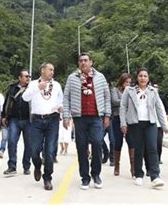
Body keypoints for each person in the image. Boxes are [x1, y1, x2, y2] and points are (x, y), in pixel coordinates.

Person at [63, 53, 111, 190]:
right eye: (80, 61)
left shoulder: (100, 77)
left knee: (97, 143)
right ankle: (85, 177)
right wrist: (66, 116)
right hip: (80, 118)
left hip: (96, 117)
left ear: (91, 62)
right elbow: (66, 98)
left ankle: (96, 174)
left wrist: (107, 115)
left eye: (85, 60)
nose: (83, 63)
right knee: (81, 147)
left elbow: (107, 97)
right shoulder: (72, 78)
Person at [120, 68, 168, 188]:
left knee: (152, 148)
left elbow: (159, 109)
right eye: (140, 76)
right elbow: (123, 107)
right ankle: (139, 175)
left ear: (148, 78)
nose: (143, 78)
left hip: (150, 123)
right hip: (135, 123)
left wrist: (164, 125)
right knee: (139, 149)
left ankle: (155, 176)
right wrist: (123, 123)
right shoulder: (129, 90)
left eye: (145, 76)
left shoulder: (153, 91)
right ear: (137, 78)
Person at [23, 62, 62, 191]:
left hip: (52, 119)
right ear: (42, 70)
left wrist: (60, 107)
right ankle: (37, 165)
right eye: (50, 69)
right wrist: (37, 88)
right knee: (34, 150)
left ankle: (47, 178)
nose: (52, 72)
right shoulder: (34, 83)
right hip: (37, 120)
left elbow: (60, 100)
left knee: (50, 151)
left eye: (53, 70)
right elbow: (25, 97)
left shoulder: (56, 85)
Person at [2, 70, 32, 176]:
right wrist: (4, 116)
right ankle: (12, 166)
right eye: (25, 76)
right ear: (19, 78)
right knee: (11, 142)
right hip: (14, 119)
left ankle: (26, 166)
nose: (28, 78)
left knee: (28, 144)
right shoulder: (12, 88)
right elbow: (7, 102)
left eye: (29, 76)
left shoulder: (32, 88)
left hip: (28, 120)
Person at [111, 73, 134, 177]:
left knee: (131, 142)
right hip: (117, 118)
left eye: (129, 82)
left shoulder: (131, 92)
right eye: (126, 82)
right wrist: (126, 102)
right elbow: (115, 101)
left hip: (129, 118)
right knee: (118, 142)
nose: (128, 84)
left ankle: (133, 167)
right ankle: (116, 166)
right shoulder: (114, 90)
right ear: (122, 81)